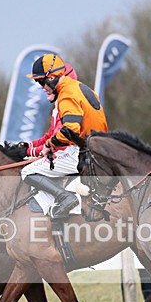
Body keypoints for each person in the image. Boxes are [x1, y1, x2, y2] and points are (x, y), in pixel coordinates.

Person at [20, 54, 108, 219]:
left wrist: (48, 145)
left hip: (86, 153)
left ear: (51, 78)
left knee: (28, 171)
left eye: (41, 82)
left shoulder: (66, 94)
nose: (41, 87)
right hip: (98, 149)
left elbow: (71, 130)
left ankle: (64, 198)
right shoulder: (79, 87)